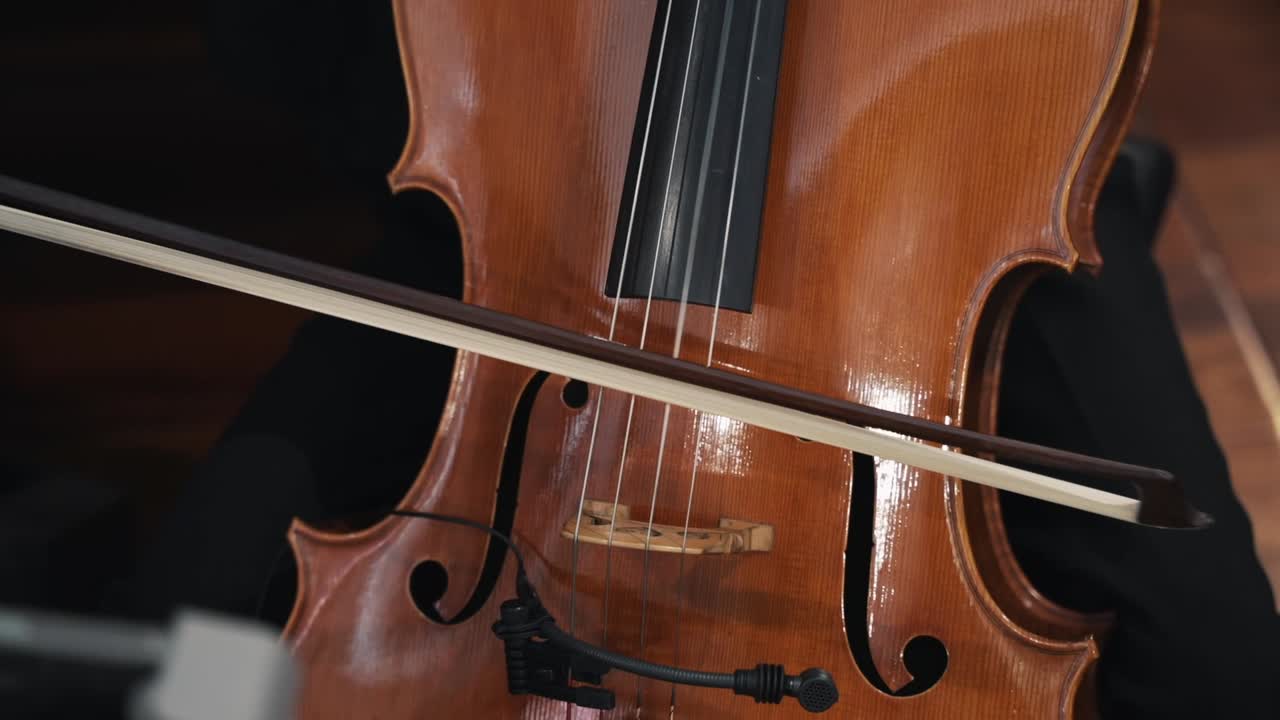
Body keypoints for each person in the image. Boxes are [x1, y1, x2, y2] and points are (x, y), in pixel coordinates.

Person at [118, 2, 1280, 717]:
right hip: (533, 189)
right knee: (187, 627)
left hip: (936, 167)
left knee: (1218, 677)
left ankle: (1075, 175)